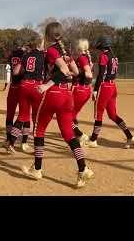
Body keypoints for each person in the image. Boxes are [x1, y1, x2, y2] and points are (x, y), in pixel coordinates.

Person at [22, 22, 94, 188]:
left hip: (53, 94)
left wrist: (47, 85)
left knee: (39, 130)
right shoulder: (65, 52)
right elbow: (75, 72)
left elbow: (63, 71)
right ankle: (83, 168)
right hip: (67, 95)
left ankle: (37, 169)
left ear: (47, 36)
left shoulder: (52, 50)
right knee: (69, 134)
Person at [86, 36, 134, 149]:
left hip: (104, 87)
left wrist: (95, 89)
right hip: (112, 86)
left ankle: (93, 140)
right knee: (113, 115)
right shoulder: (114, 56)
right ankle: (130, 137)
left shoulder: (104, 56)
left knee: (98, 114)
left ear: (101, 45)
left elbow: (101, 75)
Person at [5, 35, 45, 154]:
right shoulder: (42, 55)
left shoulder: (20, 55)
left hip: (19, 86)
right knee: (34, 118)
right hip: (35, 86)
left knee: (19, 115)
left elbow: (16, 71)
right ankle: (25, 143)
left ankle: (10, 141)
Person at [71, 39, 93, 146]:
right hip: (85, 90)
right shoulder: (86, 57)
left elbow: (89, 74)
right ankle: (77, 136)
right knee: (73, 114)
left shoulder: (82, 58)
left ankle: (80, 135)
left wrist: (79, 77)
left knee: (67, 115)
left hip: (79, 89)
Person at [3, 38, 25, 145]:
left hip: (13, 86)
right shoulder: (25, 54)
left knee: (10, 114)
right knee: (23, 114)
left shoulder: (11, 55)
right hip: (22, 86)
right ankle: (23, 141)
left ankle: (8, 138)